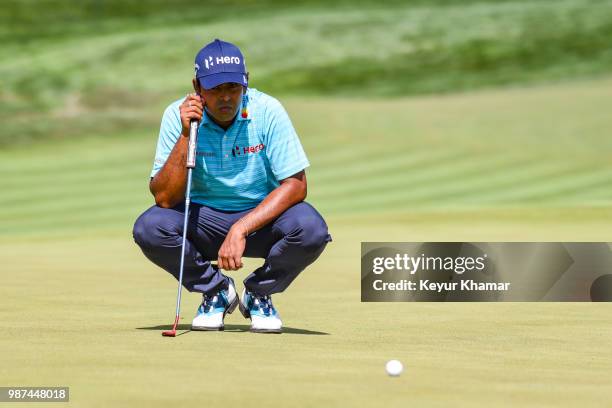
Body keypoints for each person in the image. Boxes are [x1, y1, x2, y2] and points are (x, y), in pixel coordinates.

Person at [132, 39, 331, 333]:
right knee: (150, 227)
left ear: (245, 84)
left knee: (311, 229)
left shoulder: (268, 110)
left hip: (260, 219)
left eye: (233, 89)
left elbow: (296, 186)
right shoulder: (178, 115)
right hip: (203, 221)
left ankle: (258, 293)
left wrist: (240, 228)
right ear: (197, 86)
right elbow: (164, 197)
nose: (225, 98)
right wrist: (187, 135)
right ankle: (216, 291)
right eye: (215, 90)